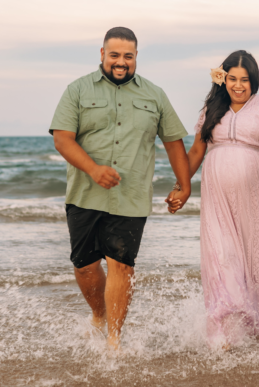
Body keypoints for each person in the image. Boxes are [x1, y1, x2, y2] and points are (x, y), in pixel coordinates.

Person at [49, 27, 192, 350]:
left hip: (132, 196)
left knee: (121, 264)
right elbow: (62, 138)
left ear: (136, 57)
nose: (121, 62)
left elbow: (173, 142)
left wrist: (184, 185)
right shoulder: (78, 90)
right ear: (102, 54)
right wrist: (94, 169)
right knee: (85, 267)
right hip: (85, 193)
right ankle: (98, 315)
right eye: (114, 55)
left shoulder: (154, 95)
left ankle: (114, 340)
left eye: (128, 56)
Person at [167, 50, 259, 348]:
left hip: (254, 193)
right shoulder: (211, 109)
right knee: (222, 255)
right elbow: (196, 152)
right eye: (232, 79)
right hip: (217, 195)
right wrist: (182, 187)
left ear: (254, 81)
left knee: (256, 255)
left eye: (244, 80)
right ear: (222, 80)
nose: (238, 85)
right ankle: (225, 329)